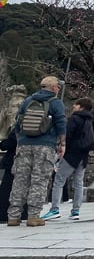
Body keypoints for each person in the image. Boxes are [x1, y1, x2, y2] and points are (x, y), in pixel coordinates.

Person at [7, 76, 67, 227]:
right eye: (58, 87)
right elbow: (61, 123)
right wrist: (62, 144)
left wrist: (19, 141)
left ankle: (13, 216)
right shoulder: (55, 102)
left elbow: (18, 122)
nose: (58, 89)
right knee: (39, 180)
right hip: (45, 145)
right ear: (53, 87)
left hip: (25, 145)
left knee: (20, 180)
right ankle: (33, 216)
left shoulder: (28, 100)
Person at [41, 98, 94, 221]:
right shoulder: (92, 120)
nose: (73, 106)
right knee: (78, 183)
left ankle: (54, 209)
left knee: (59, 180)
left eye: (76, 105)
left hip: (71, 154)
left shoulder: (74, 119)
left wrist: (61, 147)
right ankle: (76, 210)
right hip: (84, 155)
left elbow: (67, 135)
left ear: (81, 107)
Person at [0, 130, 28, 222]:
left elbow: (7, 145)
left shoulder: (18, 128)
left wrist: (2, 142)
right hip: (28, 162)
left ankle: (4, 214)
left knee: (6, 189)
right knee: (24, 188)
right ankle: (24, 213)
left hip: (13, 162)